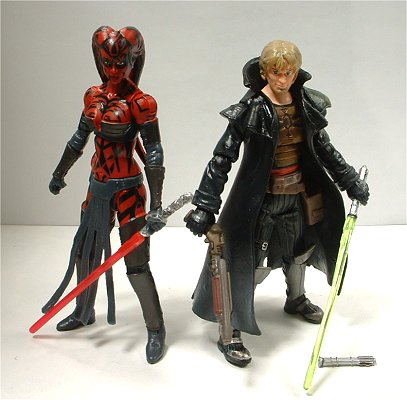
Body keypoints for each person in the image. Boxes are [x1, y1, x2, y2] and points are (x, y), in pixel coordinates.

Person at [185, 40, 369, 367]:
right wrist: (205, 204)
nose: (283, 79)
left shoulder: (304, 105)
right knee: (253, 264)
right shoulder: (252, 109)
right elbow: (222, 158)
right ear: (264, 72)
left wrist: (350, 180)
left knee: (300, 253)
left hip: (298, 197)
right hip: (261, 203)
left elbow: (324, 149)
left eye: (289, 73)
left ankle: (295, 299)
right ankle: (231, 325)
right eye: (276, 73)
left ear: (296, 72)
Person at [43, 26, 166, 364]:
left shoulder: (141, 103)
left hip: (128, 190)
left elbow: (154, 153)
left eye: (121, 62)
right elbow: (78, 139)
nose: (113, 70)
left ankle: (156, 328)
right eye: (108, 63)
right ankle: (84, 311)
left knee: (136, 264)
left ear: (133, 60)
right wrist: (59, 173)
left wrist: (156, 205)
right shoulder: (92, 96)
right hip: (97, 188)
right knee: (85, 255)